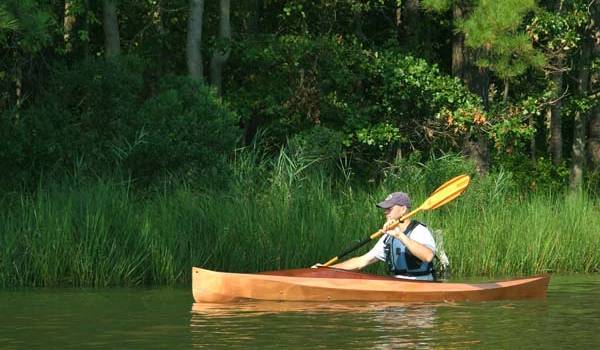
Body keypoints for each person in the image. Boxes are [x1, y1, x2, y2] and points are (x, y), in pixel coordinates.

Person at [319, 192, 437, 280]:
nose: (385, 212)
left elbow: (428, 256)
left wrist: (400, 235)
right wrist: (328, 270)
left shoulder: (419, 231)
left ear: (403, 209)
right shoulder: (388, 237)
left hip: (421, 286)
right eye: (385, 209)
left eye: (389, 209)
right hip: (398, 286)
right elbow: (362, 261)